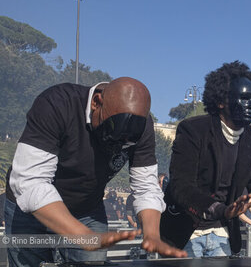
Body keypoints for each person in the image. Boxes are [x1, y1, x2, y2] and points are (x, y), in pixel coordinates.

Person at [5, 77, 186, 267]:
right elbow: (31, 182)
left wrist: (152, 235)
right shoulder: (57, 103)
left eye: (129, 140)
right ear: (96, 102)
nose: (120, 144)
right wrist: (82, 235)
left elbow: (146, 187)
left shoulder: (142, 127)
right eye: (114, 130)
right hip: (29, 210)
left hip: (87, 209)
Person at [160, 61, 251, 257]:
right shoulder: (193, 130)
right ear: (221, 101)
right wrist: (221, 210)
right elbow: (181, 186)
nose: (250, 104)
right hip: (184, 234)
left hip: (223, 235)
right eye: (243, 98)